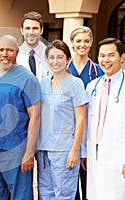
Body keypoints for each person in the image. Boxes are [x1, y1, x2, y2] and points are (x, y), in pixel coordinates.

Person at [86, 38, 125, 200]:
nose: (106, 60)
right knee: (96, 194)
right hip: (96, 154)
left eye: (111, 55)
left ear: (121, 57)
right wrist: (85, 153)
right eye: (102, 56)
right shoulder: (92, 87)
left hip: (120, 157)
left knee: (118, 195)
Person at [0, 34, 41, 200]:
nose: (4, 54)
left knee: (20, 195)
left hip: (16, 148)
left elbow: (35, 117)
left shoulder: (27, 78)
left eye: (9, 50)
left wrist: (29, 152)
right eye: (1, 50)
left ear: (16, 52)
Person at [36, 40, 88, 199]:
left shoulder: (76, 84)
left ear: (68, 59)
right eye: (51, 57)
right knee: (45, 194)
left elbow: (80, 119)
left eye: (60, 57)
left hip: (65, 150)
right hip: (43, 150)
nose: (55, 61)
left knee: (64, 195)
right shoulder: (43, 83)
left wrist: (75, 150)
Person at [68, 26, 104, 200]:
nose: (82, 45)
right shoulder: (63, 70)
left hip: (90, 131)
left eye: (86, 41)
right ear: (72, 43)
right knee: (70, 184)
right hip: (68, 133)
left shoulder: (98, 71)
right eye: (78, 41)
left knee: (89, 182)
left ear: (91, 43)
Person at [16, 11, 51, 82]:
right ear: (22, 31)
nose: (31, 32)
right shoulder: (14, 56)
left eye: (35, 28)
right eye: (27, 28)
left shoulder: (51, 55)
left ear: (41, 30)